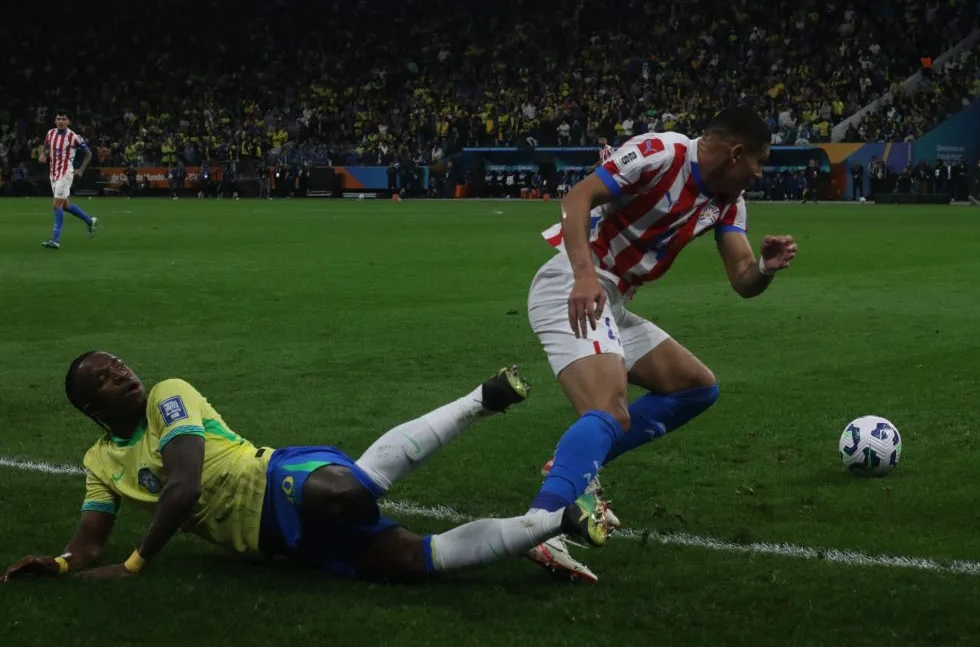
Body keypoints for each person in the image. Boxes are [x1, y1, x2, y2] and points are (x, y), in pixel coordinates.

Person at [2, 353, 612, 583]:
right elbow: (87, 544)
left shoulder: (168, 393)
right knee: (417, 562)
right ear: (90, 407)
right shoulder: (98, 464)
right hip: (275, 542)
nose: (123, 372)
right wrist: (55, 566)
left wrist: (135, 566)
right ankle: (560, 521)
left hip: (276, 477)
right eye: (107, 378)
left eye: (119, 364)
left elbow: (184, 486)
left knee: (345, 491)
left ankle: (482, 399)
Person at [524, 107, 798, 581]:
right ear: (736, 154)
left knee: (695, 387)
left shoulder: (729, 199)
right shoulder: (660, 152)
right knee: (610, 412)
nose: (759, 172)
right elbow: (578, 196)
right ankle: (540, 527)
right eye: (759, 161)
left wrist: (767, 269)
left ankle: (575, 466)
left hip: (613, 298)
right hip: (572, 285)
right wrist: (585, 277)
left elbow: (742, 279)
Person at [39, 109, 98, 249]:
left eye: (63, 119)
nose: (60, 121)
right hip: (53, 173)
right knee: (65, 205)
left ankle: (55, 240)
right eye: (58, 119)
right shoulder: (50, 133)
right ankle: (90, 221)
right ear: (55, 121)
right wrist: (43, 154)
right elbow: (47, 147)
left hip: (66, 173)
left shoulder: (73, 137)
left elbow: (88, 153)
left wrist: (81, 169)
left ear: (68, 121)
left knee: (56, 205)